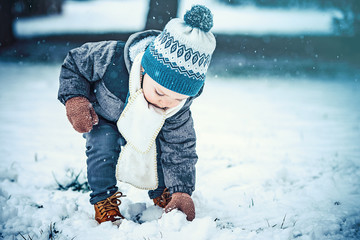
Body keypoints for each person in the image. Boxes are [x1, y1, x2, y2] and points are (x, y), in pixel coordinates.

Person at [58, 5, 216, 224]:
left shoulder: (175, 110)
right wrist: (75, 99)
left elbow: (181, 148)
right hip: (106, 118)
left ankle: (164, 192)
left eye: (177, 99)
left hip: (148, 126)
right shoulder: (110, 58)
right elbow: (76, 62)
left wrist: (182, 190)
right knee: (102, 145)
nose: (166, 102)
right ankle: (104, 200)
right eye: (160, 92)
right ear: (144, 70)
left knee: (162, 145)